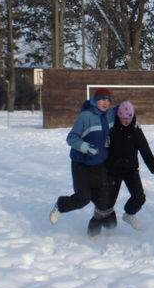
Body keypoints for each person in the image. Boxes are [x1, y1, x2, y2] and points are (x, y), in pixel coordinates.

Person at [49, 87, 116, 237]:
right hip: (81, 164)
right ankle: (60, 205)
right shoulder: (86, 116)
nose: (105, 103)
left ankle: (95, 231)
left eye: (107, 100)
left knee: (103, 197)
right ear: (95, 101)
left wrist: (134, 122)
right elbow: (71, 138)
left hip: (99, 162)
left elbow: (125, 112)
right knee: (83, 199)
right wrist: (85, 147)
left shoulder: (110, 114)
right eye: (101, 100)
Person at [103, 101, 154, 231]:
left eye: (129, 117)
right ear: (118, 116)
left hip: (130, 170)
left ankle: (129, 215)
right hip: (113, 170)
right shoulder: (110, 127)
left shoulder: (135, 129)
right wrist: (104, 143)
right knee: (108, 203)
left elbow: (145, 150)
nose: (126, 120)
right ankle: (107, 228)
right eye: (123, 117)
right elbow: (98, 143)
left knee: (139, 197)